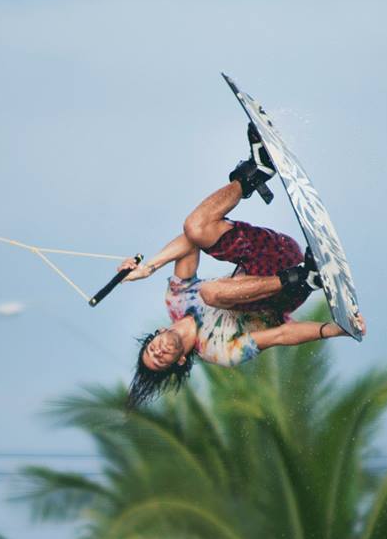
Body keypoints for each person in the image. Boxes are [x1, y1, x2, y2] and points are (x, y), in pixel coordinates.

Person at [115, 148, 363, 408]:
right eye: (161, 359)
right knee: (211, 293)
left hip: (273, 251)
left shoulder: (177, 302)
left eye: (153, 349)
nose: (160, 351)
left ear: (158, 334)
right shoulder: (220, 352)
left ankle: (256, 171)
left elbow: (189, 244)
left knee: (194, 229)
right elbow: (281, 335)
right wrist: (334, 330)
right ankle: (307, 277)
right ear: (179, 361)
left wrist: (147, 268)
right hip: (286, 290)